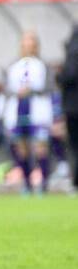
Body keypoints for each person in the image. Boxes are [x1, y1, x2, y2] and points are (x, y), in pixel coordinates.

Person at [4, 31, 53, 194]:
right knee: (22, 147)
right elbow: (7, 89)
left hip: (38, 109)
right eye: (25, 41)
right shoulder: (14, 66)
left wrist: (31, 89)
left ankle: (44, 184)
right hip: (18, 110)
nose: (27, 45)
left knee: (40, 147)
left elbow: (49, 87)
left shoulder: (43, 65)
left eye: (31, 41)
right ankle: (26, 183)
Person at [59, 28, 78, 191]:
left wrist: (60, 76)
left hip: (73, 108)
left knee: (74, 143)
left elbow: (69, 76)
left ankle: (75, 180)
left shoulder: (72, 54)